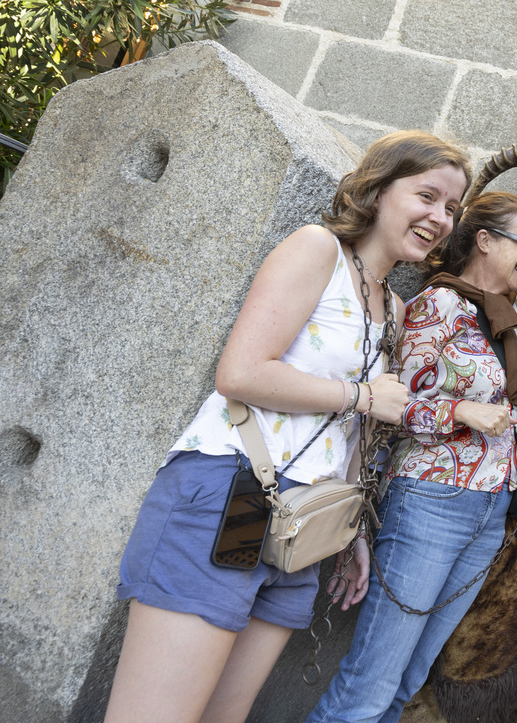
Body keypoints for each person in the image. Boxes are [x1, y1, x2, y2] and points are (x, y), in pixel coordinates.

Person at [103, 131, 471, 723]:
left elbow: (355, 430)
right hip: (236, 492)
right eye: (427, 196)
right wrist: (363, 394)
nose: (440, 217)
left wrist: (354, 531)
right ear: (377, 189)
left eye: (452, 208)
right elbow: (241, 371)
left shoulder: (395, 308)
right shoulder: (316, 249)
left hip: (306, 527)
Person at [305, 191, 517, 723]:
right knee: (369, 685)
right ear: (485, 240)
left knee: (409, 683)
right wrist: (461, 411)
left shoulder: (514, 316)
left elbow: (509, 403)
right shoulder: (437, 306)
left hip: (490, 511)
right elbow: (389, 405)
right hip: (430, 501)